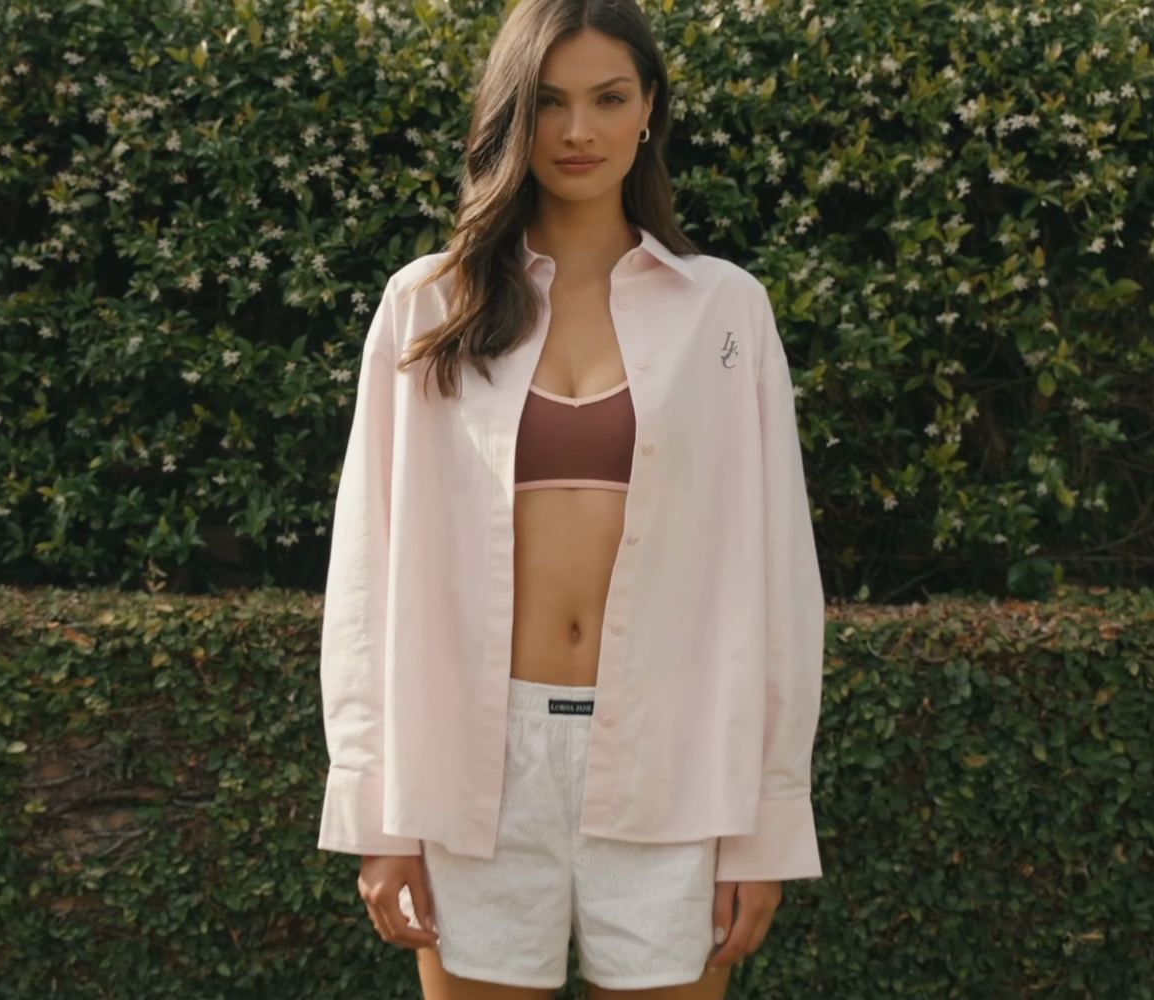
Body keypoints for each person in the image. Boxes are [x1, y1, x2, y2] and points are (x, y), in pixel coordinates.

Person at [315, 0, 826, 996]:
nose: (578, 131)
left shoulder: (725, 310)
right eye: (549, 102)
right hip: (471, 766)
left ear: (650, 110)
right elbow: (367, 575)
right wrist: (375, 815)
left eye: (609, 99)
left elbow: (776, 578)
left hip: (675, 759)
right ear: (513, 114)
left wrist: (766, 823)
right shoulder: (427, 305)